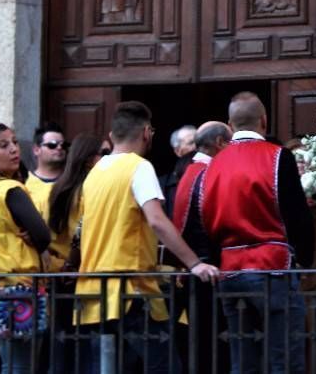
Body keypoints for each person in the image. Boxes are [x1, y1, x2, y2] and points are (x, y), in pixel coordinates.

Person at [75, 101, 218, 373]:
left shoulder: (96, 172)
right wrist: (194, 263)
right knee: (164, 366)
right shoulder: (139, 167)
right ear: (145, 132)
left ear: (112, 135)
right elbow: (157, 221)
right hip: (130, 290)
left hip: (94, 290)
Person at [201, 92, 314, 374]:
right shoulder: (278, 157)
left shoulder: (214, 164)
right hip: (272, 267)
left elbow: (206, 217)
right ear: (264, 120)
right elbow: (296, 213)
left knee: (243, 359)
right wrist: (305, 258)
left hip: (229, 270)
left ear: (230, 124)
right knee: (284, 357)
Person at [0, 123, 52, 374]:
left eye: (14, 142)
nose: (14, 149)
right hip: (20, 290)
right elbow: (43, 236)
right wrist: (36, 236)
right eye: (4, 145)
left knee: (7, 364)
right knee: (21, 366)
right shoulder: (10, 189)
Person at [172, 121, 232, 373]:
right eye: (230, 143)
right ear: (219, 143)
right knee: (211, 346)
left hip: (198, 268)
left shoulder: (193, 169)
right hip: (208, 270)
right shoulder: (207, 172)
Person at [45, 134, 106, 374]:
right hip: (80, 273)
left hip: (61, 277)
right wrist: (72, 263)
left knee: (64, 348)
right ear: (90, 159)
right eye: (104, 153)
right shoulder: (90, 191)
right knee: (87, 350)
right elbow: (82, 232)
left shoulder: (59, 189)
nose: (108, 159)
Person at [24, 121, 67, 219]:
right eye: (52, 145)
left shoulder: (73, 181)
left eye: (63, 145)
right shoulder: (24, 184)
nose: (59, 148)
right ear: (36, 150)